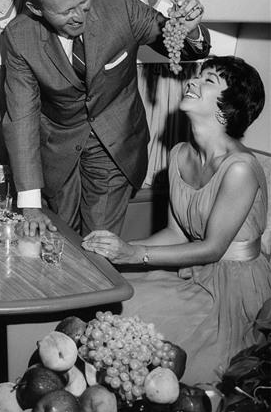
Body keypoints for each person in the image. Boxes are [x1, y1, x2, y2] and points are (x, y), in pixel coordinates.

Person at [82, 56, 271, 385]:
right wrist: (116, 252)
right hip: (193, 270)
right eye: (198, 75)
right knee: (112, 292)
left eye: (209, 80)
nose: (192, 81)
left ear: (228, 108)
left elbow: (212, 249)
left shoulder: (240, 167)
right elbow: (175, 233)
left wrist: (134, 254)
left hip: (234, 290)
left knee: (136, 319)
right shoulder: (180, 154)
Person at [2, 0, 211, 237]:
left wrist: (188, 29)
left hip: (114, 143)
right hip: (58, 150)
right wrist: (30, 205)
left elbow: (177, 44)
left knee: (98, 244)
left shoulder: (119, 5)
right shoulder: (19, 36)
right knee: (58, 239)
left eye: (83, 1)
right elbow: (21, 117)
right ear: (37, 9)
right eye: (66, 11)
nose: (79, 16)